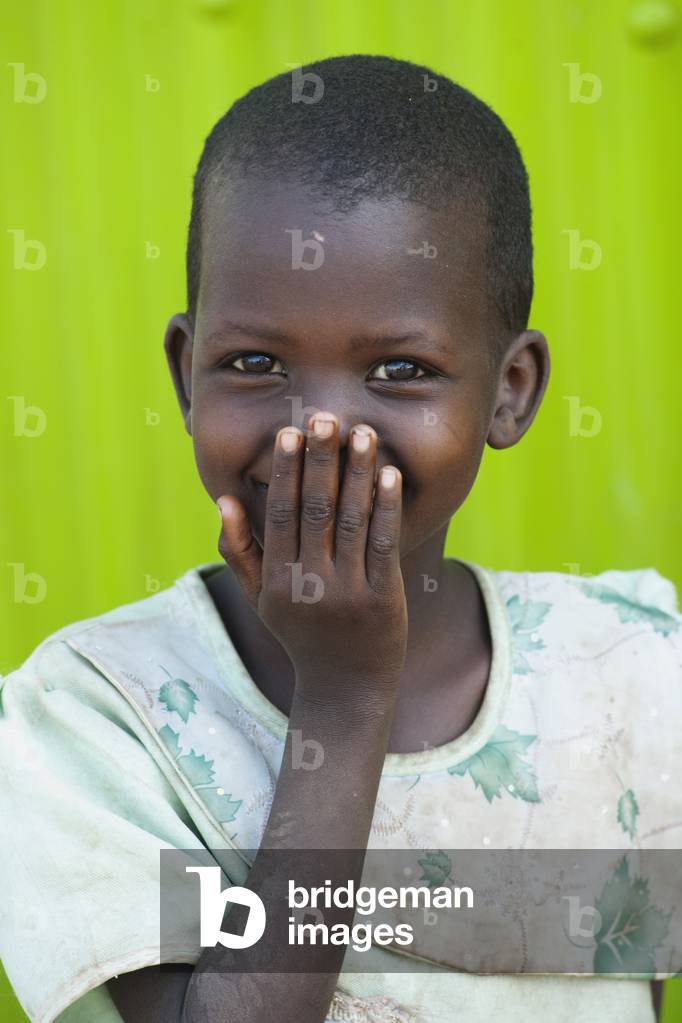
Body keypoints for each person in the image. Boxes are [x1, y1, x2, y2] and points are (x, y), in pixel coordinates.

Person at [0, 54, 679, 1023]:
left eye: (399, 368)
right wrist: (345, 697)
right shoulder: (90, 726)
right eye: (254, 362)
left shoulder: (633, 673)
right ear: (187, 374)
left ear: (509, 391)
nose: (318, 429)